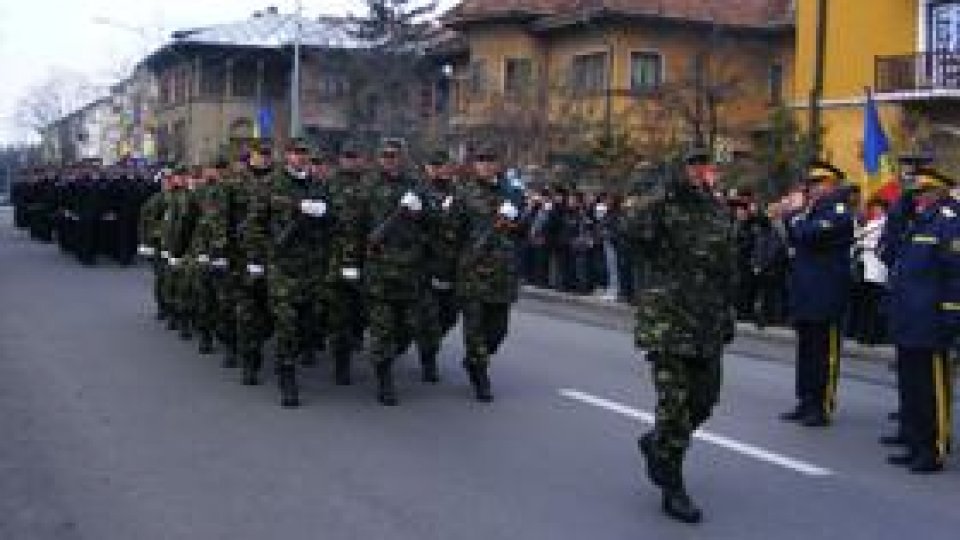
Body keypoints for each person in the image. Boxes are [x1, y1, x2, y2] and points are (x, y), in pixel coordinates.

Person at [627, 148, 736, 524]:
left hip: (707, 322)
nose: (701, 171)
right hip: (668, 324)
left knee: (704, 402)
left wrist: (728, 317)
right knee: (674, 409)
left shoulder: (719, 211)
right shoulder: (661, 207)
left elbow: (727, 268)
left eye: (706, 165)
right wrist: (665, 191)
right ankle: (672, 485)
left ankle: (657, 443)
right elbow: (630, 232)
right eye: (693, 165)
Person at [884, 168, 958, 473]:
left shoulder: (949, 224)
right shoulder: (915, 224)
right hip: (909, 315)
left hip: (932, 317)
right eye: (915, 193)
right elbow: (890, 251)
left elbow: (955, 275)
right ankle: (915, 442)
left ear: (938, 193)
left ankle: (934, 448)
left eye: (922, 192)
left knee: (932, 389)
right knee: (912, 386)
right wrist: (901, 203)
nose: (918, 198)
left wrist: (951, 315)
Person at [780, 161, 855, 427]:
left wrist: (794, 215)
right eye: (810, 184)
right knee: (807, 350)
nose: (810, 189)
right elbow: (795, 236)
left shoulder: (838, 211)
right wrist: (793, 216)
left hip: (827, 294)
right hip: (807, 293)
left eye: (816, 184)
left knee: (825, 354)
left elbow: (807, 236)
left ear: (830, 185)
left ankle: (821, 404)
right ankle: (806, 400)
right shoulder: (813, 211)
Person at [455, 146, 521, 402]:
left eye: (489, 161)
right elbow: (452, 231)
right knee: (475, 328)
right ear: (474, 165)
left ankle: (478, 357)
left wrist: (515, 220)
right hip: (472, 271)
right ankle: (480, 375)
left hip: (503, 272)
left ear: (497, 164)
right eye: (480, 161)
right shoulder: (463, 193)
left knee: (498, 330)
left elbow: (521, 229)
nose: (484, 165)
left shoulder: (511, 193)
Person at [365, 140, 428, 405]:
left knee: (409, 328)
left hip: (409, 271)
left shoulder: (415, 185)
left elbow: (434, 220)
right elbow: (355, 222)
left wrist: (420, 209)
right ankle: (384, 380)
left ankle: (388, 356)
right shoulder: (368, 186)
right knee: (382, 329)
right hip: (380, 270)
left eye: (394, 155)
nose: (390, 159)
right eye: (385, 155)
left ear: (402, 158)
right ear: (379, 158)